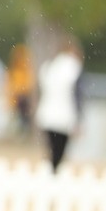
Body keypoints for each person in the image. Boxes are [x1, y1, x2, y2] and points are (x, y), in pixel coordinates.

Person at [35, 40, 84, 174]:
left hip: (47, 114)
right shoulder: (74, 68)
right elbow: (77, 95)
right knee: (60, 151)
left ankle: (50, 170)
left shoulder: (50, 65)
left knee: (51, 148)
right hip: (65, 116)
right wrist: (79, 118)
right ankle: (54, 172)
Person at [6, 44, 35, 136]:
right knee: (19, 118)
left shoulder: (25, 70)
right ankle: (20, 134)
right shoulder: (15, 70)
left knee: (23, 119)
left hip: (23, 97)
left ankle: (22, 134)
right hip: (18, 97)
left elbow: (28, 84)